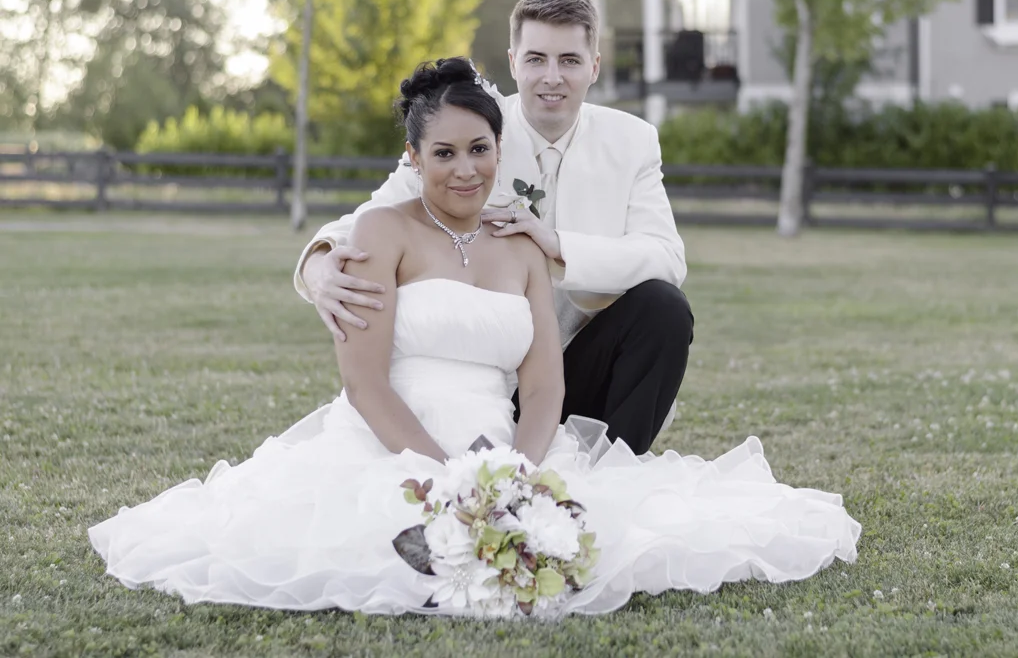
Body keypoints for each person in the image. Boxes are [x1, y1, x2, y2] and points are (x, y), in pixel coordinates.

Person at [88, 58, 861, 617]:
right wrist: (449, 480)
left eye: (480, 150)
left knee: (593, 528)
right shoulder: (382, 231)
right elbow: (365, 383)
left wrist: (514, 477)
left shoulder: (518, 246)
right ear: (414, 157)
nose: (465, 170)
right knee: (378, 543)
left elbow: (545, 384)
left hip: (505, 439)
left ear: (500, 149)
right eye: (444, 154)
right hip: (395, 440)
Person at [294, 0, 688, 454]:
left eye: (570, 60)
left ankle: (612, 471)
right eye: (537, 59)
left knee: (664, 308)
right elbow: (373, 218)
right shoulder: (469, 125)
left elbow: (667, 257)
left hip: (579, 369)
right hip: (487, 376)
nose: (552, 77)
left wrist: (558, 245)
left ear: (594, 66)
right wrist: (317, 265)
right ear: (514, 62)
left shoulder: (632, 140)